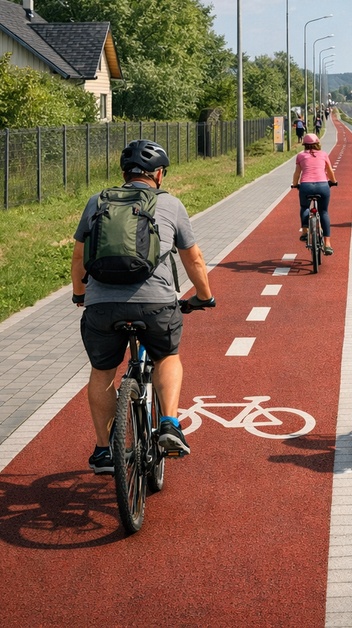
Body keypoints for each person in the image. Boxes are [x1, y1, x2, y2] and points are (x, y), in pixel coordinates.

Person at [71, 140, 215, 474]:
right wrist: (204, 296)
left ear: (124, 174)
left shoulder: (97, 201)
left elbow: (79, 256)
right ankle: (169, 424)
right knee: (167, 356)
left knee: (103, 371)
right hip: (156, 304)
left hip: (102, 306)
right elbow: (193, 258)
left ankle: (104, 451)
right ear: (159, 174)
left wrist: (80, 295)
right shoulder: (171, 204)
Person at [292, 133, 338, 255]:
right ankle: (327, 244)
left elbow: (297, 173)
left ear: (305, 145)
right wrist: (333, 181)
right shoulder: (324, 155)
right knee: (323, 212)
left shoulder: (300, 156)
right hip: (323, 186)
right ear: (317, 143)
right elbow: (330, 171)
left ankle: (305, 231)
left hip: (306, 186)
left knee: (304, 207)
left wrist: (295, 184)